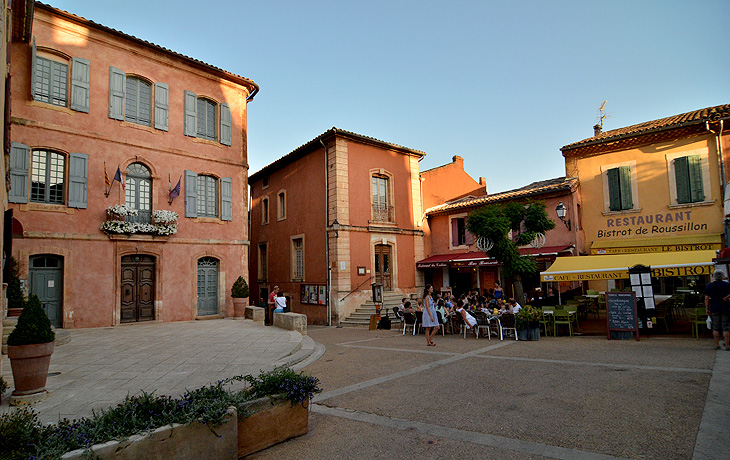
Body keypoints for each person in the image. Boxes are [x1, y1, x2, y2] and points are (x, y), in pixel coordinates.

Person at [705, 270, 730, 350]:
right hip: (725, 307)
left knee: (715, 327)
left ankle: (717, 345)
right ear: (722, 276)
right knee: (726, 327)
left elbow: (706, 298)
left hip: (714, 307)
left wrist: (707, 309)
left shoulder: (709, 286)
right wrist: (727, 297)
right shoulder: (727, 285)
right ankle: (727, 345)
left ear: (714, 276)